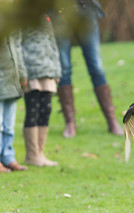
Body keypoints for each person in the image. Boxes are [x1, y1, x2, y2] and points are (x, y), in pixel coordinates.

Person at [54, 0, 123, 138]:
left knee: (96, 66)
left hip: (86, 11)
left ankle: (112, 120)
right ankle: (70, 123)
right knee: (64, 67)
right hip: (59, 13)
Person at [21, 15, 61, 166]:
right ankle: (31, 155)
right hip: (31, 72)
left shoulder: (46, 16)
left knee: (46, 110)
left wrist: (57, 71)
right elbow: (17, 45)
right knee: (33, 110)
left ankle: (39, 153)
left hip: (48, 71)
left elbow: (53, 45)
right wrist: (22, 71)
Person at [0, 31, 28, 172]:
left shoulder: (12, 21)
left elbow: (18, 48)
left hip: (11, 81)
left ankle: (8, 157)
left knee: (8, 125)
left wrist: (22, 74)